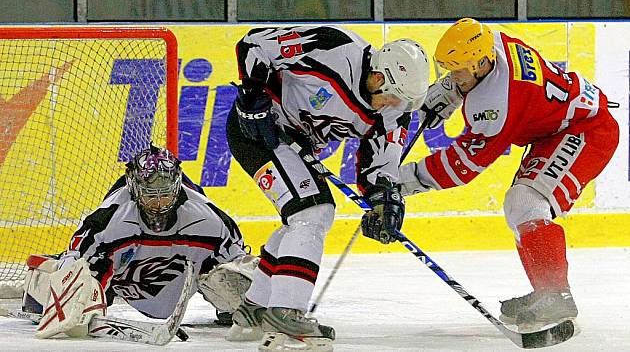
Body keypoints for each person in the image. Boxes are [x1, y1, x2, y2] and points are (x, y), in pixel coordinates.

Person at [391, 18, 619, 330]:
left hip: (587, 130)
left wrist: (403, 181)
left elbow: (464, 165)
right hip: (559, 127)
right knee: (518, 206)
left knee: (526, 202)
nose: (453, 76)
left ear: (482, 62)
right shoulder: (490, 41)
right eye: (450, 69)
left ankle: (556, 295)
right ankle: (546, 292)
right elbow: (474, 74)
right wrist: (449, 91)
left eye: (457, 70)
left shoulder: (496, 103)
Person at [226, 25, 430, 350]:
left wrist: (385, 201)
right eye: (393, 97)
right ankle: (285, 311)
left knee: (307, 216)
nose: (394, 106)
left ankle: (254, 310)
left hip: (295, 144)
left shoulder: (393, 113)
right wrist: (253, 97)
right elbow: (255, 44)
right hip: (257, 132)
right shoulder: (334, 47)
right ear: (378, 77)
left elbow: (380, 167)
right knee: (313, 211)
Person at [22, 145, 258, 338]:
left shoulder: (209, 219)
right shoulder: (108, 220)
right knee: (76, 280)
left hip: (183, 279)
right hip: (120, 280)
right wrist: (70, 293)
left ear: (177, 187)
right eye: (150, 195)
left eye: (165, 194)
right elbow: (74, 258)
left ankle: (229, 311)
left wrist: (250, 295)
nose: (158, 203)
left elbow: (238, 261)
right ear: (134, 188)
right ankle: (40, 286)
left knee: (231, 274)